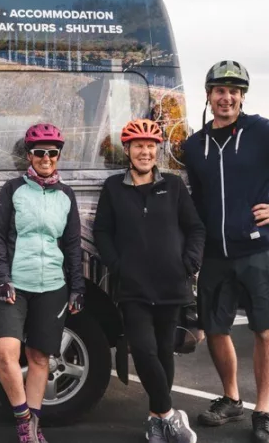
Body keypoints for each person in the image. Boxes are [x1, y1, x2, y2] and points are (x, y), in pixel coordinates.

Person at [182, 61, 269, 443]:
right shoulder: (194, 146)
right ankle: (231, 398)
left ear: (242, 96)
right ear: (208, 95)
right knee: (214, 328)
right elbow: (196, 199)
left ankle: (263, 411)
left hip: (258, 250)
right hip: (215, 253)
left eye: (234, 91)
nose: (226, 97)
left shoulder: (261, 131)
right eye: (219, 90)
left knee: (265, 329)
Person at [92, 119, 205, 443]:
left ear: (158, 150)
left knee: (164, 351)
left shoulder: (173, 185)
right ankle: (171, 415)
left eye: (150, 145)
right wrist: (117, 264)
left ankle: (156, 419)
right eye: (138, 145)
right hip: (134, 286)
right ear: (127, 150)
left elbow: (196, 228)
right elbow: (102, 231)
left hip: (171, 284)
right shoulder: (114, 187)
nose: (144, 151)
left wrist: (189, 263)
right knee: (142, 350)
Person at [0, 123, 86, 443]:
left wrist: (77, 287)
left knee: (39, 358)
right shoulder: (12, 189)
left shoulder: (66, 195)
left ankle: (31, 430)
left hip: (53, 286)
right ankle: (23, 420)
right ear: (29, 155)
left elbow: (72, 244)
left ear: (59, 156)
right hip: (15, 284)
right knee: (5, 353)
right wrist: (2, 278)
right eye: (39, 153)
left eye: (52, 153)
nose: (46, 158)